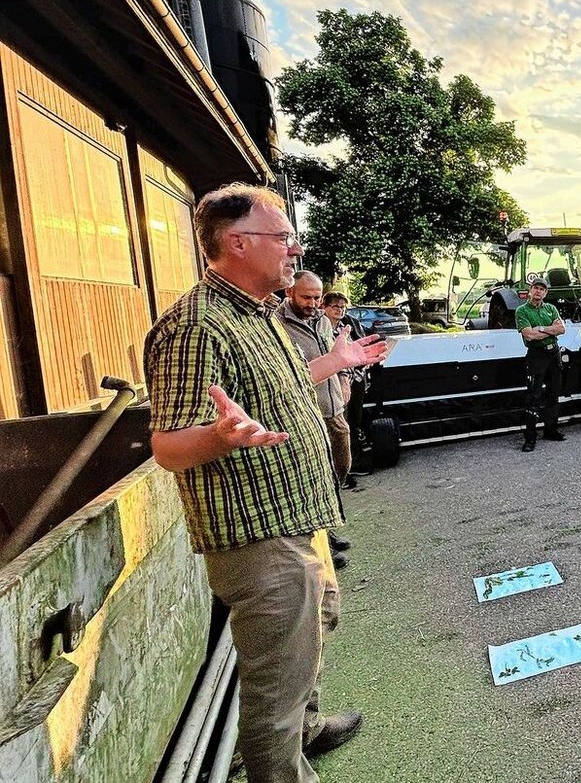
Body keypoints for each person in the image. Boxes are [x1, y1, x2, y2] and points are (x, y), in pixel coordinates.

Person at [144, 183, 387, 782]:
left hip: (296, 517)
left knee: (313, 628)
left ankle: (306, 729)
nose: (294, 250)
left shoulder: (257, 313)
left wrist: (337, 363)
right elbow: (168, 446)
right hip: (257, 536)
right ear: (237, 242)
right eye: (283, 239)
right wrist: (219, 438)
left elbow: (284, 384)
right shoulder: (197, 327)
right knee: (274, 684)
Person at [277, 272, 353, 570]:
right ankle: (321, 541)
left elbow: (339, 355)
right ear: (289, 292)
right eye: (306, 297)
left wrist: (345, 380)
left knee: (341, 466)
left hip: (334, 407)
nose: (312, 304)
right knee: (315, 476)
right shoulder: (278, 324)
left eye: (317, 297)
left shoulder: (323, 322)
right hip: (307, 413)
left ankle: (328, 522)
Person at [322, 291, 369, 480]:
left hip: (355, 380)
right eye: (335, 306)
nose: (340, 310)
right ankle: (341, 469)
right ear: (324, 307)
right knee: (339, 424)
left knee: (353, 422)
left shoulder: (349, 325)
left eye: (342, 307)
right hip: (333, 384)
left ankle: (352, 462)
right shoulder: (320, 328)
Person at [516, 279, 567, 452]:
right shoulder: (521, 311)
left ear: (546, 293)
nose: (538, 291)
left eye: (542, 289)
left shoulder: (551, 308)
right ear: (530, 290)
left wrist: (542, 329)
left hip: (554, 354)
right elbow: (529, 335)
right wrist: (548, 329)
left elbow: (561, 329)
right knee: (533, 396)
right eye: (536, 288)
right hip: (536, 356)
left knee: (554, 394)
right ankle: (530, 438)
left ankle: (551, 430)